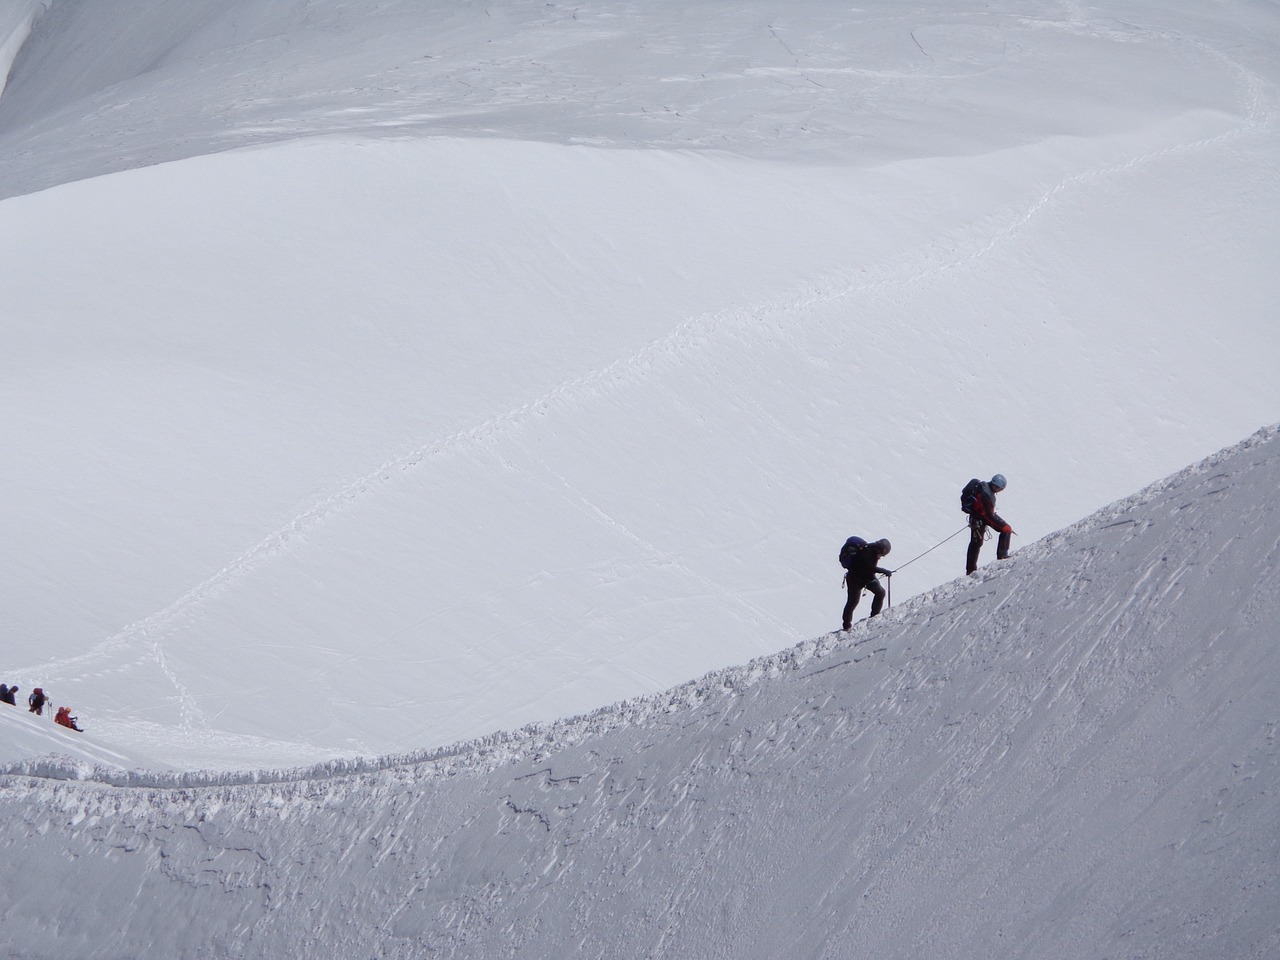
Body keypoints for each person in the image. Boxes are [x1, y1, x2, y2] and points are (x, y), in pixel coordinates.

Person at [963, 473, 1015, 574]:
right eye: (1000, 488)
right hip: (980, 518)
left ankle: (970, 570)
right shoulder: (987, 495)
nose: (1000, 491)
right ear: (996, 486)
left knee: (976, 543)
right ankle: (1002, 555)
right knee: (1006, 529)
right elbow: (988, 515)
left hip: (976, 518)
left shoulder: (983, 487)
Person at [842, 538, 893, 629]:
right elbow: (870, 567)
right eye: (882, 554)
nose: (881, 556)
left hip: (857, 579)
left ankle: (847, 625)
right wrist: (884, 571)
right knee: (879, 593)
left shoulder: (870, 549)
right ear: (881, 549)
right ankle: (872, 617)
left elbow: (869, 568)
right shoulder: (868, 552)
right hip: (858, 579)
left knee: (852, 602)